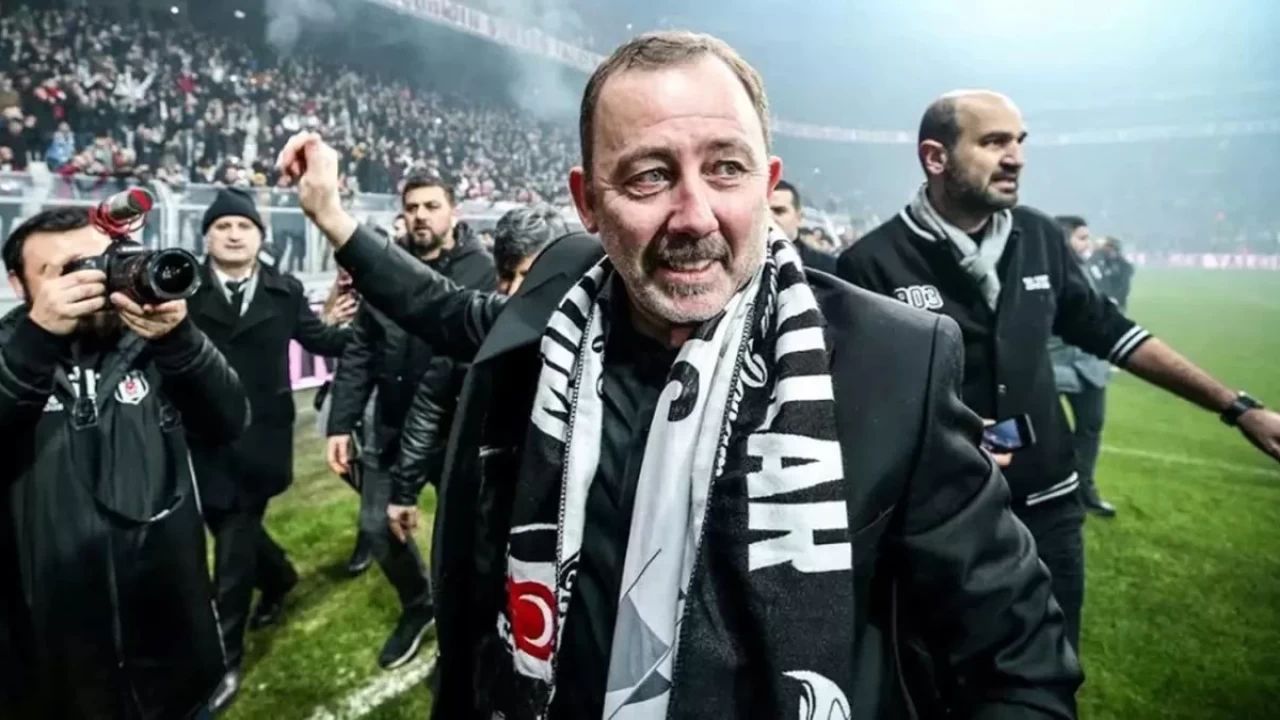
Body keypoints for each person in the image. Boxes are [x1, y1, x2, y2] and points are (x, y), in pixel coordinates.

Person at [280, 31, 1081, 720]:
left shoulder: (894, 361)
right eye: (649, 177)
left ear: (767, 183)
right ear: (588, 203)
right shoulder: (552, 317)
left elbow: (1017, 656)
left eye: (726, 168)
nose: (694, 215)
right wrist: (333, 217)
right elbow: (442, 309)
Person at [837, 90, 1280, 655]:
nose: (1016, 157)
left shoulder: (1041, 236)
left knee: (1054, 665)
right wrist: (945, 437)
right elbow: (862, 413)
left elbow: (1112, 332)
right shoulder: (872, 263)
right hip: (943, 516)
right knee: (946, 677)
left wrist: (1237, 408)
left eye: (1019, 141)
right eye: (993, 142)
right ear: (935, 157)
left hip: (1050, 505)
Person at [0, 207, 249, 719]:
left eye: (103, 262)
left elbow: (229, 421)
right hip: (51, 661)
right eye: (69, 271)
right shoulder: (9, 350)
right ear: (18, 284)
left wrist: (180, 339)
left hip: (173, 642)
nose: (94, 280)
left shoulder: (153, 339)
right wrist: (36, 341)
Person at [184, 187, 355, 714]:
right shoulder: (182, 288)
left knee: (232, 550)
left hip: (259, 440)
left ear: (261, 237)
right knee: (229, 528)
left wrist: (372, 330)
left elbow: (320, 340)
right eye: (223, 226)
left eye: (245, 226)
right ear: (206, 237)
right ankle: (280, 577)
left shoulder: (285, 290)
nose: (234, 235)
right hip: (201, 438)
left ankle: (225, 661)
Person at [324, 175, 496, 670]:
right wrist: (341, 422)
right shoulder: (384, 268)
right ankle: (419, 604)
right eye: (412, 206)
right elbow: (361, 349)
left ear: (453, 212)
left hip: (457, 432)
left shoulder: (481, 269)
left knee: (465, 540)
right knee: (378, 528)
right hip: (393, 426)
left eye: (432, 205)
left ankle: (469, 626)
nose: (421, 214)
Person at [386, 203, 567, 545]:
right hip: (483, 510)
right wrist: (405, 491)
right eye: (506, 276)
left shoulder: (595, 342)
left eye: (527, 276)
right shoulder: (480, 332)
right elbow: (429, 406)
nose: (512, 290)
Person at [1047, 216, 1116, 516]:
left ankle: (1084, 491)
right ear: (1064, 239)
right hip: (1051, 366)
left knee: (1091, 429)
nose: (1089, 244)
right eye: (1082, 238)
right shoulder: (1037, 270)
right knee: (1035, 433)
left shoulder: (1088, 270)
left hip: (1090, 368)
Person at [769, 179, 837, 273]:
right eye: (762, 212)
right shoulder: (748, 265)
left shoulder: (827, 268)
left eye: (779, 211)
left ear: (799, 217)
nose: (769, 218)